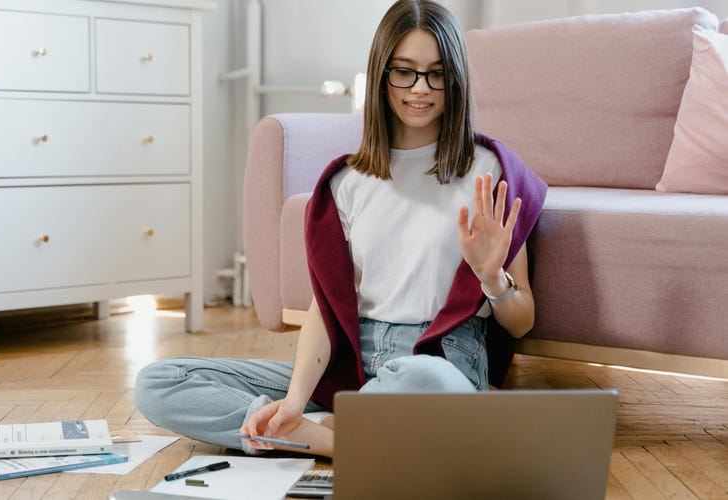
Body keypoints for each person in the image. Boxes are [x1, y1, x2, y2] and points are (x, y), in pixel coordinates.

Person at [134, 0, 547, 458]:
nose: (420, 89)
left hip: (441, 363)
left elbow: (522, 318)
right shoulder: (348, 181)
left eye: (437, 73)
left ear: (456, 78)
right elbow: (326, 309)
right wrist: (293, 398)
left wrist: (494, 280)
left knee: (427, 380)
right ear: (380, 74)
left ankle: (315, 438)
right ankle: (316, 430)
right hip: (351, 364)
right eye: (404, 71)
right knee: (159, 382)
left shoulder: (492, 172)